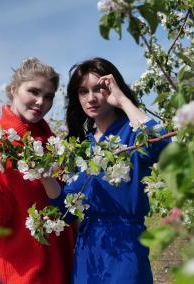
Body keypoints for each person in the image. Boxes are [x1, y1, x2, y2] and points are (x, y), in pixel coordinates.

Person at [40, 57, 170, 283]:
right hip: (87, 253)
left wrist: (123, 100)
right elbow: (68, 213)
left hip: (125, 248)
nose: (90, 98)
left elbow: (161, 145)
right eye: (82, 92)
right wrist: (44, 176)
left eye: (98, 89)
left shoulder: (131, 133)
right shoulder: (80, 148)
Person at [0, 58, 74, 284]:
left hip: (60, 263)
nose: (41, 102)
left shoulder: (52, 142)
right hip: (18, 269)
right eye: (34, 91)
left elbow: (65, 206)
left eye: (49, 96)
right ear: (13, 90)